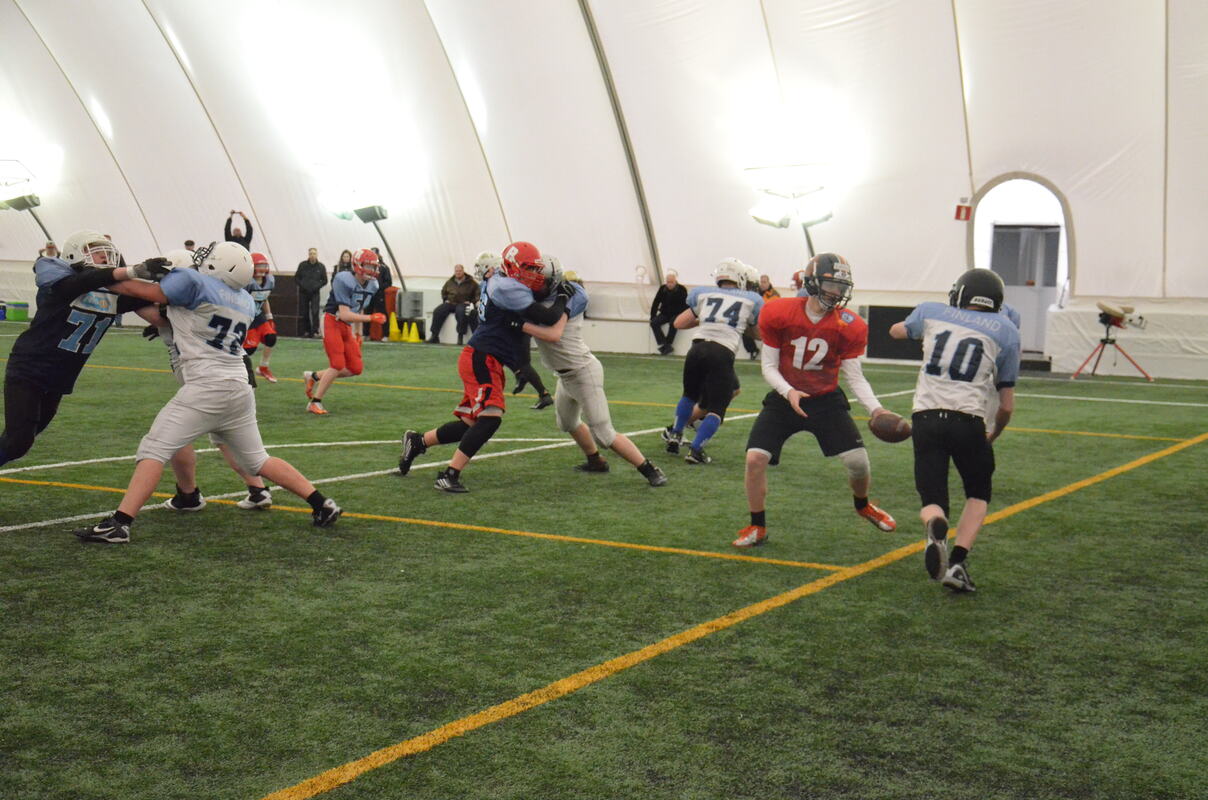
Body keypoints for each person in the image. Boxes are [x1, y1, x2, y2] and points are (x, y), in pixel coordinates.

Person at [73, 242, 342, 543]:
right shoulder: (244, 299)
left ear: (218, 266)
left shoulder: (194, 281)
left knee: (153, 449)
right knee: (258, 460)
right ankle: (321, 503)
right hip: (238, 386)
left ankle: (120, 524)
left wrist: (97, 276)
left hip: (207, 385)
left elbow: (136, 291)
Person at [732, 253, 898, 549]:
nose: (837, 292)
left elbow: (854, 376)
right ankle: (757, 525)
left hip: (825, 399)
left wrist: (876, 409)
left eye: (841, 286)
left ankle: (863, 505)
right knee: (755, 458)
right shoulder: (779, 311)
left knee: (858, 462)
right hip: (785, 397)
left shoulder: (850, 324)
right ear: (812, 282)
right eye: (831, 284)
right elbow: (768, 366)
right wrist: (789, 392)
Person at [397, 241, 571, 493]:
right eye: (528, 268)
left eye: (535, 269)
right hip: (481, 357)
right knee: (490, 419)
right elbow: (549, 317)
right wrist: (564, 296)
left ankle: (418, 441)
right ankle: (449, 474)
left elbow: (515, 334)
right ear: (511, 266)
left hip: (485, 356)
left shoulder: (501, 281)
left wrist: (519, 367)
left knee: (470, 424)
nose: (533, 274)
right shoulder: (507, 287)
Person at [888, 268, 1020, 593]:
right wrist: (992, 435)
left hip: (925, 417)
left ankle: (935, 522)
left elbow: (895, 331)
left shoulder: (932, 311)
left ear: (960, 293)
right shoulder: (1006, 329)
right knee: (978, 492)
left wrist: (921, 332)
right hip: (968, 420)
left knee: (932, 496)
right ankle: (958, 562)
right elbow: (1006, 406)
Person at [0, 231, 169, 469]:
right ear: (73, 254)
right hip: (29, 368)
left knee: (23, 437)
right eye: (96, 251)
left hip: (61, 376)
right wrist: (132, 271)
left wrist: (168, 316)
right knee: (18, 441)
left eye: (106, 251)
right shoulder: (61, 280)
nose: (104, 256)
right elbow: (83, 281)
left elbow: (154, 308)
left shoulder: (114, 294)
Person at [140, 249, 274, 513]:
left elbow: (148, 308)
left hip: (213, 375)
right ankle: (256, 489)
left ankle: (189, 494)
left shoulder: (189, 295)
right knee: (225, 438)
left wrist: (107, 280)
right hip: (230, 367)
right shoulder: (209, 294)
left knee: (193, 437)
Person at [524, 259, 667, 486]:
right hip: (564, 375)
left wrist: (517, 323)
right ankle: (595, 461)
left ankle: (650, 469)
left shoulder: (569, 297)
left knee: (604, 434)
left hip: (582, 373)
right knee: (567, 423)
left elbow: (553, 329)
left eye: (540, 281)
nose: (534, 285)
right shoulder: (540, 299)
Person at [661, 258, 763, 464]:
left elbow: (679, 322)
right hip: (721, 352)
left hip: (697, 347)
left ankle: (675, 434)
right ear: (740, 278)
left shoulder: (703, 293)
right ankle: (695, 450)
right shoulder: (752, 299)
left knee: (689, 395)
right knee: (717, 407)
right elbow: (759, 334)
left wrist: (710, 319)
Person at [303, 249, 385, 415]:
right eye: (368, 266)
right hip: (332, 321)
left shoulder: (372, 285)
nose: (372, 270)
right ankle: (315, 402)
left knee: (355, 368)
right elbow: (345, 313)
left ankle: (314, 376)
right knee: (337, 364)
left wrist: (359, 333)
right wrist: (371, 318)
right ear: (357, 265)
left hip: (346, 326)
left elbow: (358, 308)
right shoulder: (343, 279)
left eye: (373, 266)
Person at [243, 252, 279, 382]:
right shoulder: (246, 282)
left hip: (258, 315)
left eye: (264, 265)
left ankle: (263, 367)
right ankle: (238, 371)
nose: (262, 269)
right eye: (259, 265)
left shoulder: (269, 280)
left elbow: (264, 298)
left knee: (271, 338)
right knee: (249, 350)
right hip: (246, 317)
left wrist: (269, 317)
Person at [428, 264, 480, 346]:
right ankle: (434, 335)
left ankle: (460, 337)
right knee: (438, 311)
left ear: (463, 271)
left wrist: (471, 302)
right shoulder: (450, 282)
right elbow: (443, 291)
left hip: (463, 303)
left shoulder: (472, 283)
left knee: (461, 313)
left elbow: (477, 294)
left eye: (460, 271)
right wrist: (445, 299)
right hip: (451, 303)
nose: (458, 273)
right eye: (456, 271)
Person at [649, 271, 688, 355]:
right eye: (668, 282)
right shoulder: (662, 289)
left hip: (677, 313)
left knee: (673, 323)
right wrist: (652, 316)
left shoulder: (682, 289)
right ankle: (666, 345)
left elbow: (686, 305)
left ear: (675, 281)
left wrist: (683, 316)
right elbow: (656, 302)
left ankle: (667, 344)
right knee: (654, 323)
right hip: (665, 313)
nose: (669, 284)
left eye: (671, 282)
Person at [295, 248, 328, 338]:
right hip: (303, 292)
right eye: (311, 254)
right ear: (308, 255)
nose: (312, 255)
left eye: (314, 254)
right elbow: (296, 278)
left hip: (315, 293)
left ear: (317, 255)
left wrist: (317, 286)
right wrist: (302, 285)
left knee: (315, 311)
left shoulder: (321, 267)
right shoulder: (302, 265)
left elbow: (325, 280)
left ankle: (315, 331)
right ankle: (306, 331)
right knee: (304, 312)